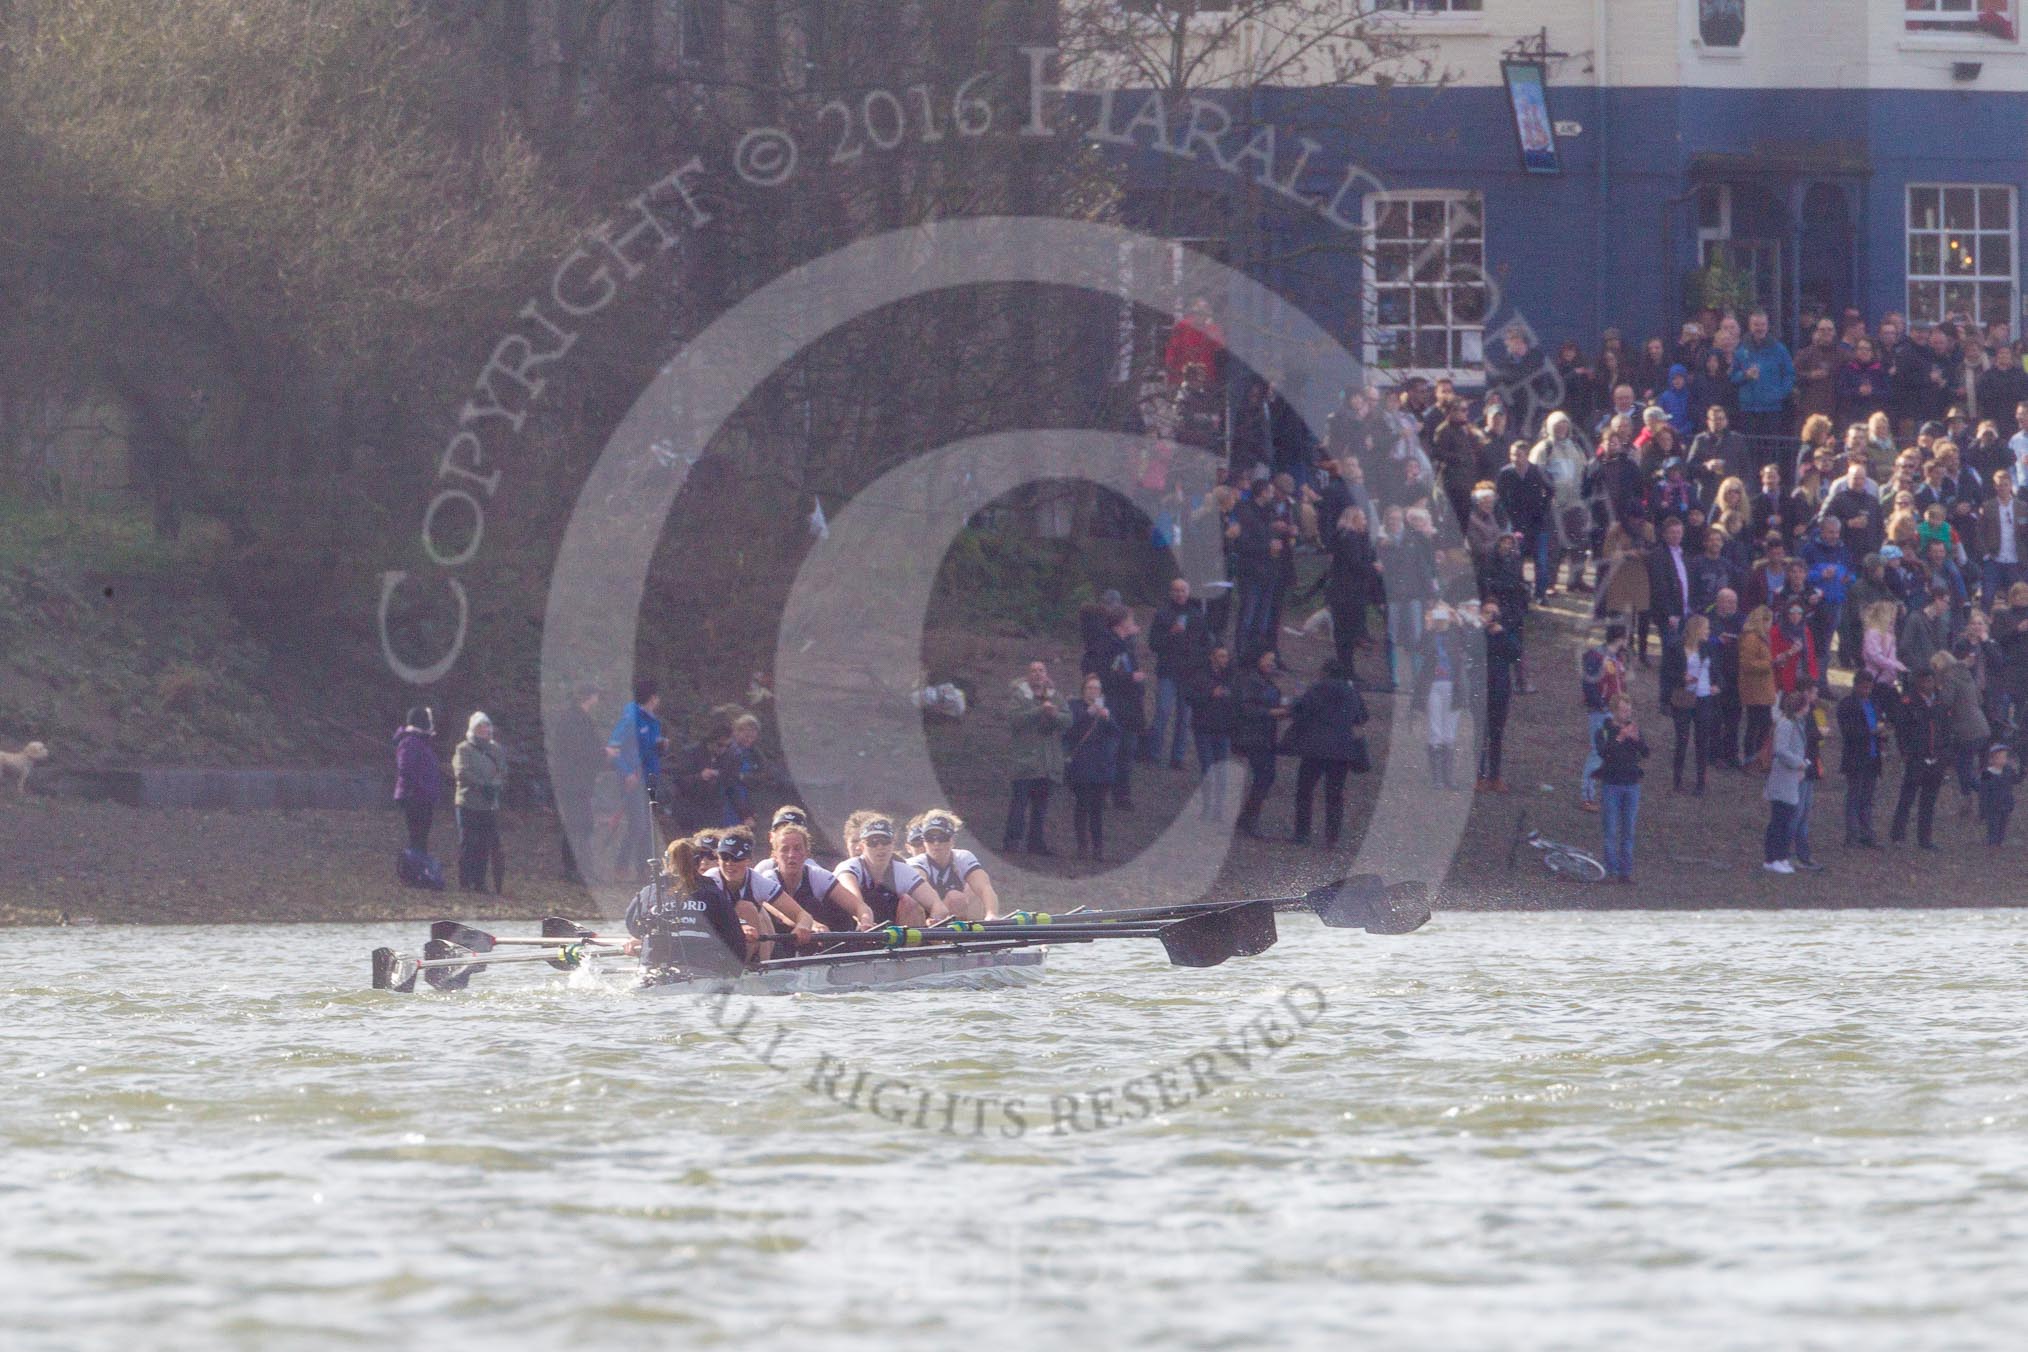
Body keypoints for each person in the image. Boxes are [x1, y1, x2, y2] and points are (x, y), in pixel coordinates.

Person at [626, 835, 757, 977]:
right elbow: (734, 939)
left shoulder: (649, 892)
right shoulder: (713, 893)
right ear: (698, 862)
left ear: (666, 862)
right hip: (702, 972)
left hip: (650, 972)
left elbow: (633, 927)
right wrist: (733, 973)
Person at [1283, 658, 1371, 845]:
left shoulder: (1316, 689)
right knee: (1334, 794)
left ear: (1325, 672)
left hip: (1315, 748)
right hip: (1341, 749)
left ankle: (1302, 832)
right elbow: (1362, 717)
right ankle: (1332, 836)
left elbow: (1302, 713)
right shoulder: (1351, 692)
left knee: (1305, 790)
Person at [755, 806, 870, 932]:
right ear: (775, 855)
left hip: (810, 934)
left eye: (797, 848)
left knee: (814, 904)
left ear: (806, 853)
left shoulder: (817, 874)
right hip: (779, 938)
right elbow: (782, 914)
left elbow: (859, 906)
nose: (791, 855)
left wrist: (865, 920)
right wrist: (811, 925)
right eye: (785, 849)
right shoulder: (766, 878)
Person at [1005, 661, 1072, 855]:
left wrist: (1055, 714)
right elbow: (1014, 720)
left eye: (1040, 671)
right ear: (1028, 675)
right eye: (1033, 671)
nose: (1037, 674)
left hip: (1048, 763)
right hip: (1024, 762)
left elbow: (1068, 720)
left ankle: (1036, 843)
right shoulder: (1019, 696)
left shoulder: (1056, 697)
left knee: (1040, 808)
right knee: (1019, 805)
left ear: (1046, 674)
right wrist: (1039, 711)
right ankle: (1012, 841)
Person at [834, 814, 946, 925]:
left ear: (893, 844)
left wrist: (936, 919)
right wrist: (866, 922)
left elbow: (938, 905)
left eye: (885, 841)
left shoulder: (902, 870)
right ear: (862, 846)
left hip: (887, 929)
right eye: (873, 842)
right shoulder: (848, 868)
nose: (880, 847)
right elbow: (856, 905)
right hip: (853, 925)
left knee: (910, 902)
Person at [1147, 578, 1209, 769]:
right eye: (1176, 590)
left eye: (1183, 590)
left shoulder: (1197, 615)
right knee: (1162, 713)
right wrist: (1171, 634)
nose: (1179, 594)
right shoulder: (1162, 614)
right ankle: (1153, 754)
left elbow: (1206, 642)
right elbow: (1153, 644)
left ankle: (1177, 758)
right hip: (1168, 671)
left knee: (1184, 717)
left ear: (1188, 592)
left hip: (1189, 674)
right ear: (1170, 593)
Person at [1064, 674, 1124, 860]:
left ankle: (1098, 848)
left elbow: (1116, 733)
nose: (1093, 691)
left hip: (1102, 765)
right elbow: (1070, 731)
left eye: (1097, 688)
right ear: (1083, 690)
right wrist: (1088, 713)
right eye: (1090, 688)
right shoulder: (1075, 706)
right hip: (1081, 764)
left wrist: (1107, 718)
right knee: (1082, 805)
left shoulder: (1107, 709)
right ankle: (1082, 846)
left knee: (1098, 808)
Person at [551, 685, 605, 883]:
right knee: (578, 826)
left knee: (581, 825)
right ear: (589, 697)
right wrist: (603, 755)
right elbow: (580, 752)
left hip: (578, 782)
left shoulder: (575, 719)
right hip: (574, 783)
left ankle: (576, 868)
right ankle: (575, 869)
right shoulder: (576, 721)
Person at [1233, 648, 1290, 837]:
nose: (1272, 663)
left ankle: (1247, 818)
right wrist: (1272, 712)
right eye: (1269, 659)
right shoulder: (1250, 680)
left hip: (1264, 734)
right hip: (1254, 735)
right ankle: (1248, 820)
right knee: (1265, 775)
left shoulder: (1258, 679)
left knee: (1265, 776)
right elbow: (1245, 708)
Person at [1891, 669, 1949, 849]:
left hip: (1936, 757)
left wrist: (1945, 755)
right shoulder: (1908, 702)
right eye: (1924, 681)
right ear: (1918, 682)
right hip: (1916, 757)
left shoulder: (1940, 701)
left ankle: (1925, 839)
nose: (1927, 685)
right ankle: (1898, 836)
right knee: (1907, 797)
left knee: (1929, 801)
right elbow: (1901, 731)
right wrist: (1906, 753)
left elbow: (1946, 729)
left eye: (1930, 681)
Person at [907, 809, 1000, 920]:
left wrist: (992, 914)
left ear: (952, 840)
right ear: (924, 841)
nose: (936, 843)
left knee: (971, 890)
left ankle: (973, 934)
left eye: (942, 838)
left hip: (951, 916)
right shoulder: (916, 863)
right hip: (927, 918)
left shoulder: (963, 857)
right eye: (930, 838)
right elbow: (920, 892)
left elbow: (985, 887)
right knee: (953, 898)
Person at [1595, 692, 1648, 884]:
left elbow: (1646, 752)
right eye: (1624, 710)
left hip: (1632, 785)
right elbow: (1604, 753)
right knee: (1610, 830)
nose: (1627, 713)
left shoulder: (1634, 729)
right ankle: (1611, 871)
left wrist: (1636, 739)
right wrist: (1619, 738)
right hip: (1612, 785)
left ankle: (1625, 872)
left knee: (1628, 831)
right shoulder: (1605, 729)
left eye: (1629, 709)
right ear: (1615, 711)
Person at [452, 711, 507, 894]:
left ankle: (480, 882)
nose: (483, 730)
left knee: (485, 844)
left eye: (486, 727)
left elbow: (502, 771)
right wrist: (482, 785)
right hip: (468, 802)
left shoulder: (496, 749)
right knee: (468, 843)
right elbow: (462, 771)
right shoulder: (463, 749)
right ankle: (465, 880)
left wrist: (494, 786)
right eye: (479, 727)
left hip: (489, 804)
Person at [1662, 613, 1717, 794]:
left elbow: (1717, 672)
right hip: (1684, 697)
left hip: (1704, 698)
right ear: (1697, 629)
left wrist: (1717, 686)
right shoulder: (1677, 647)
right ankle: (1677, 780)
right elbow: (1666, 673)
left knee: (1702, 741)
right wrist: (1681, 678)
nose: (1709, 631)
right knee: (1682, 739)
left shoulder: (1708, 648)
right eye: (1706, 628)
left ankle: (1700, 782)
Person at [1496, 438, 1555, 598]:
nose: (1515, 458)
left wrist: (1542, 507)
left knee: (1541, 561)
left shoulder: (1538, 471)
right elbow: (1500, 497)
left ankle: (1540, 594)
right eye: (1512, 455)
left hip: (1537, 522)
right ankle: (1518, 592)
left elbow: (1550, 490)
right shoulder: (1506, 473)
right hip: (1516, 522)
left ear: (1527, 455)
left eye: (1519, 455)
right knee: (1516, 559)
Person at [1579, 623, 1629, 812]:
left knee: (1609, 754)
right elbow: (1589, 683)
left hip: (1613, 711)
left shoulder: (1617, 658)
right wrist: (1599, 704)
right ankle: (1587, 796)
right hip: (1602, 711)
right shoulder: (1597, 656)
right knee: (1597, 753)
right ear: (1620, 638)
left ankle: (1603, 795)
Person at [1186, 645, 1239, 820]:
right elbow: (1190, 697)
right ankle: (1207, 807)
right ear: (1212, 657)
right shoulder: (1200, 676)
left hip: (1223, 728)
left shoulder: (1231, 677)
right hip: (1204, 728)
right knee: (1208, 768)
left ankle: (1218, 809)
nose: (1225, 659)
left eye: (1226, 656)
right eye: (1221, 656)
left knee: (1221, 770)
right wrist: (1210, 694)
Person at [1416, 605, 1466, 790]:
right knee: (1435, 730)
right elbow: (1421, 649)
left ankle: (1448, 777)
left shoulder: (1455, 636)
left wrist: (1458, 621)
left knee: (1449, 733)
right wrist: (1428, 627)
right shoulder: (1430, 636)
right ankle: (1438, 778)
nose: (1441, 620)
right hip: (1433, 686)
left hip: (1453, 687)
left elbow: (1468, 643)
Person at [1475, 601, 1521, 791]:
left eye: (1494, 613)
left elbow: (1516, 654)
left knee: (1496, 734)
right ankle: (1478, 774)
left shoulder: (1505, 634)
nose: (1490, 616)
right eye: (1487, 612)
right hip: (1479, 688)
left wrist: (1501, 633)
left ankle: (1495, 776)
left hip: (1500, 689)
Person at [1838, 670, 1887, 848]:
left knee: (1867, 797)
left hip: (1873, 757)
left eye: (1869, 687)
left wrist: (1882, 736)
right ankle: (1852, 834)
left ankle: (1867, 833)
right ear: (1856, 685)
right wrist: (1871, 732)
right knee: (1854, 796)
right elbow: (1848, 732)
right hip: (1856, 757)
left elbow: (1880, 722)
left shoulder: (1874, 703)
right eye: (1864, 687)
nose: (1867, 691)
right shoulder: (1847, 704)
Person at [1763, 691, 1809, 874]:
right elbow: (1781, 750)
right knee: (1780, 819)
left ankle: (1778, 857)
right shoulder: (1787, 725)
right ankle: (1774, 857)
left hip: (1789, 777)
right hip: (1783, 777)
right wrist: (1799, 763)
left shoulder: (1795, 724)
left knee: (1785, 817)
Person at [392, 706, 440, 857]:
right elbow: (406, 768)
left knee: (421, 837)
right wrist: (421, 787)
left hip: (423, 796)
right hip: (415, 797)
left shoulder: (420, 741)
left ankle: (419, 866)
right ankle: (414, 867)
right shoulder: (410, 741)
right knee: (417, 837)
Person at [1739, 605, 1778, 763]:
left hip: (1762, 687)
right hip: (1755, 688)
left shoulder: (1760, 638)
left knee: (1763, 724)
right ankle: (1750, 758)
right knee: (1755, 725)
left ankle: (1758, 757)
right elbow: (1747, 664)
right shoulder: (1751, 638)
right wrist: (1769, 664)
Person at [1979, 742, 2021, 845]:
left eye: (2004, 757)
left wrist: (2022, 773)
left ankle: (1999, 842)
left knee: (2003, 825)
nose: (2003, 760)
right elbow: (1983, 792)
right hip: (1992, 806)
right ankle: (1992, 844)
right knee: (1993, 826)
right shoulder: (1987, 773)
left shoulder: (2008, 770)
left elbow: (2015, 780)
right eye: (1999, 758)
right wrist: (1983, 809)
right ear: (1991, 760)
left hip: (2006, 803)